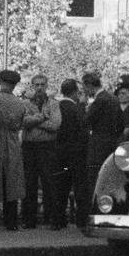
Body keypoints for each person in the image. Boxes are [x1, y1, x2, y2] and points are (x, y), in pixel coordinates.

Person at [20, 73, 63, 229]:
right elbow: (23, 121)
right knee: (29, 183)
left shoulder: (54, 104)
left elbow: (55, 125)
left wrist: (35, 120)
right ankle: (29, 220)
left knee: (50, 183)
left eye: (42, 84)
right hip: (29, 147)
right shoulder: (25, 103)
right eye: (36, 85)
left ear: (46, 86)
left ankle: (52, 219)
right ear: (32, 86)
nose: (39, 88)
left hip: (47, 147)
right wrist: (43, 118)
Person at [0, 69, 28, 230]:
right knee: (12, 182)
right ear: (14, 85)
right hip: (12, 143)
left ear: (0, 82)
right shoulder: (20, 103)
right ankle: (11, 222)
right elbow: (20, 124)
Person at [80, 72, 122, 226]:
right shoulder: (113, 98)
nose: (85, 91)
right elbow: (121, 124)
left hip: (98, 144)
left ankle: (94, 216)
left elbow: (86, 121)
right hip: (111, 143)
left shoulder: (99, 100)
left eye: (85, 87)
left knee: (94, 180)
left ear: (89, 85)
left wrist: (83, 106)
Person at [54, 78, 88, 227]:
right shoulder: (77, 109)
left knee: (61, 186)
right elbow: (83, 130)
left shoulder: (57, 106)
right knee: (80, 187)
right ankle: (81, 220)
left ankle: (58, 219)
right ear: (75, 92)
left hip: (60, 152)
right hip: (77, 153)